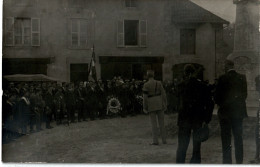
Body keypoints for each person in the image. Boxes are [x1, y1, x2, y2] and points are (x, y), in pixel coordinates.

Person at [176, 64, 213, 164]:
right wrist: (207, 119)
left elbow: (177, 103)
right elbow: (209, 103)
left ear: (185, 73)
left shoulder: (181, 85)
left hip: (184, 119)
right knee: (197, 146)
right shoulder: (202, 86)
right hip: (198, 118)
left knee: (182, 146)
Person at [215, 60, 247, 164]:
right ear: (233, 66)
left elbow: (216, 98)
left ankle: (227, 162)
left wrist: (223, 104)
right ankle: (239, 162)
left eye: (225, 65)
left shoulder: (222, 78)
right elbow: (244, 95)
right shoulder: (242, 78)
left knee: (226, 140)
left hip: (225, 114)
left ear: (227, 66)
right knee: (238, 138)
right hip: (238, 113)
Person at [142, 70, 167, 145]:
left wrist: (145, 107)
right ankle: (164, 140)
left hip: (151, 104)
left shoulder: (146, 85)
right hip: (159, 103)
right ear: (153, 75)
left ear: (147, 76)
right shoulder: (159, 83)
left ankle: (155, 141)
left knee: (153, 124)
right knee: (162, 123)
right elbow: (164, 94)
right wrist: (164, 104)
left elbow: (145, 98)